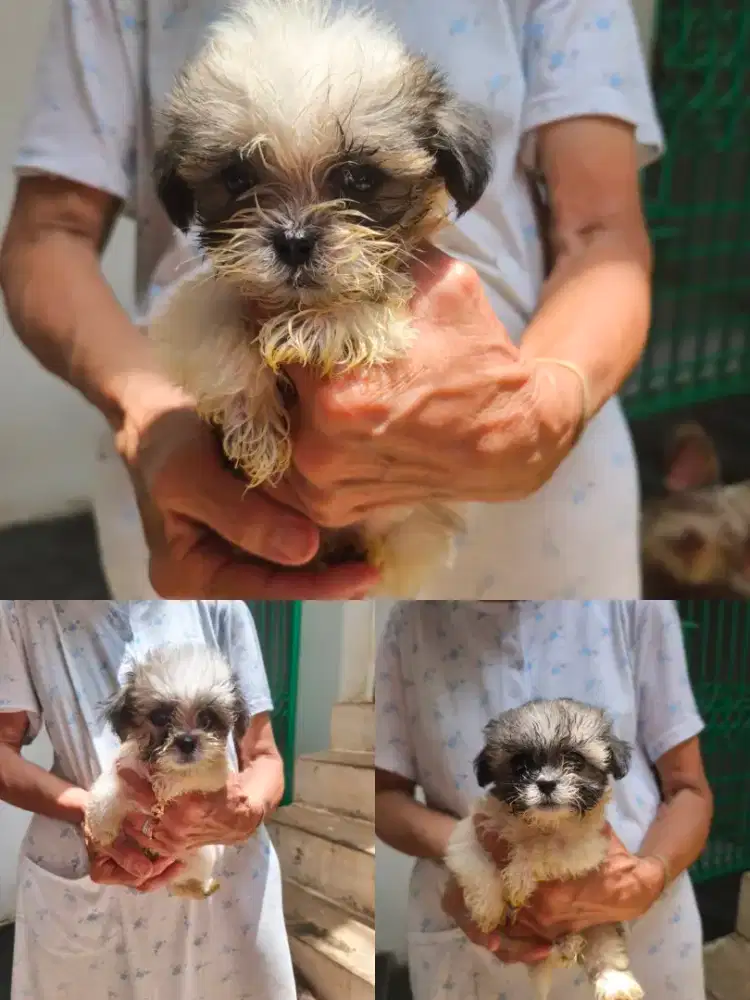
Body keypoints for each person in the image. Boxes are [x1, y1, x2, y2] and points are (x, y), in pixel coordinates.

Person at [0, 0, 660, 599]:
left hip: (533, 526)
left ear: (444, 170)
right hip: (192, 508)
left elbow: (601, 233)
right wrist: (150, 415)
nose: (294, 230)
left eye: (360, 183)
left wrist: (542, 410)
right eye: (239, 181)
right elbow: (50, 231)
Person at [375, 600, 713, 999]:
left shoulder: (635, 599)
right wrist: (475, 857)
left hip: (645, 933)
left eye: (574, 762)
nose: (548, 780)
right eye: (521, 766)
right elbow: (382, 794)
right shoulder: (409, 623)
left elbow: (688, 787)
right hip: (474, 954)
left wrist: (646, 878)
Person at [0, 600, 297, 1000]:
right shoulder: (20, 604)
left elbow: (264, 756)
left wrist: (246, 809)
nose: (188, 736)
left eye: (207, 721)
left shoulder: (221, 597)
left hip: (225, 894)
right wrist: (91, 811)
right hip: (87, 887)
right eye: (161, 720)